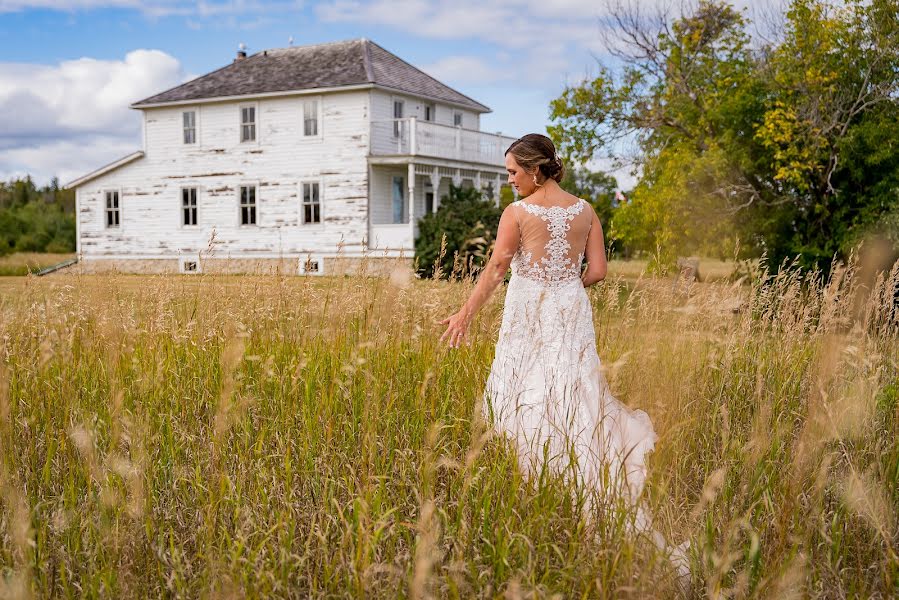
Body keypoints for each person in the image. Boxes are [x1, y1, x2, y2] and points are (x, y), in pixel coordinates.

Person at [439, 133, 689, 587]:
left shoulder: (517, 213)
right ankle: (586, 487)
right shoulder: (586, 210)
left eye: (513, 172)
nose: (509, 181)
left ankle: (542, 489)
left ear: (535, 170)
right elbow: (597, 272)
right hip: (569, 311)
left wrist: (464, 315)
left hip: (529, 312)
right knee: (575, 390)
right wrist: (563, 289)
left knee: (522, 391)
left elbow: (497, 268)